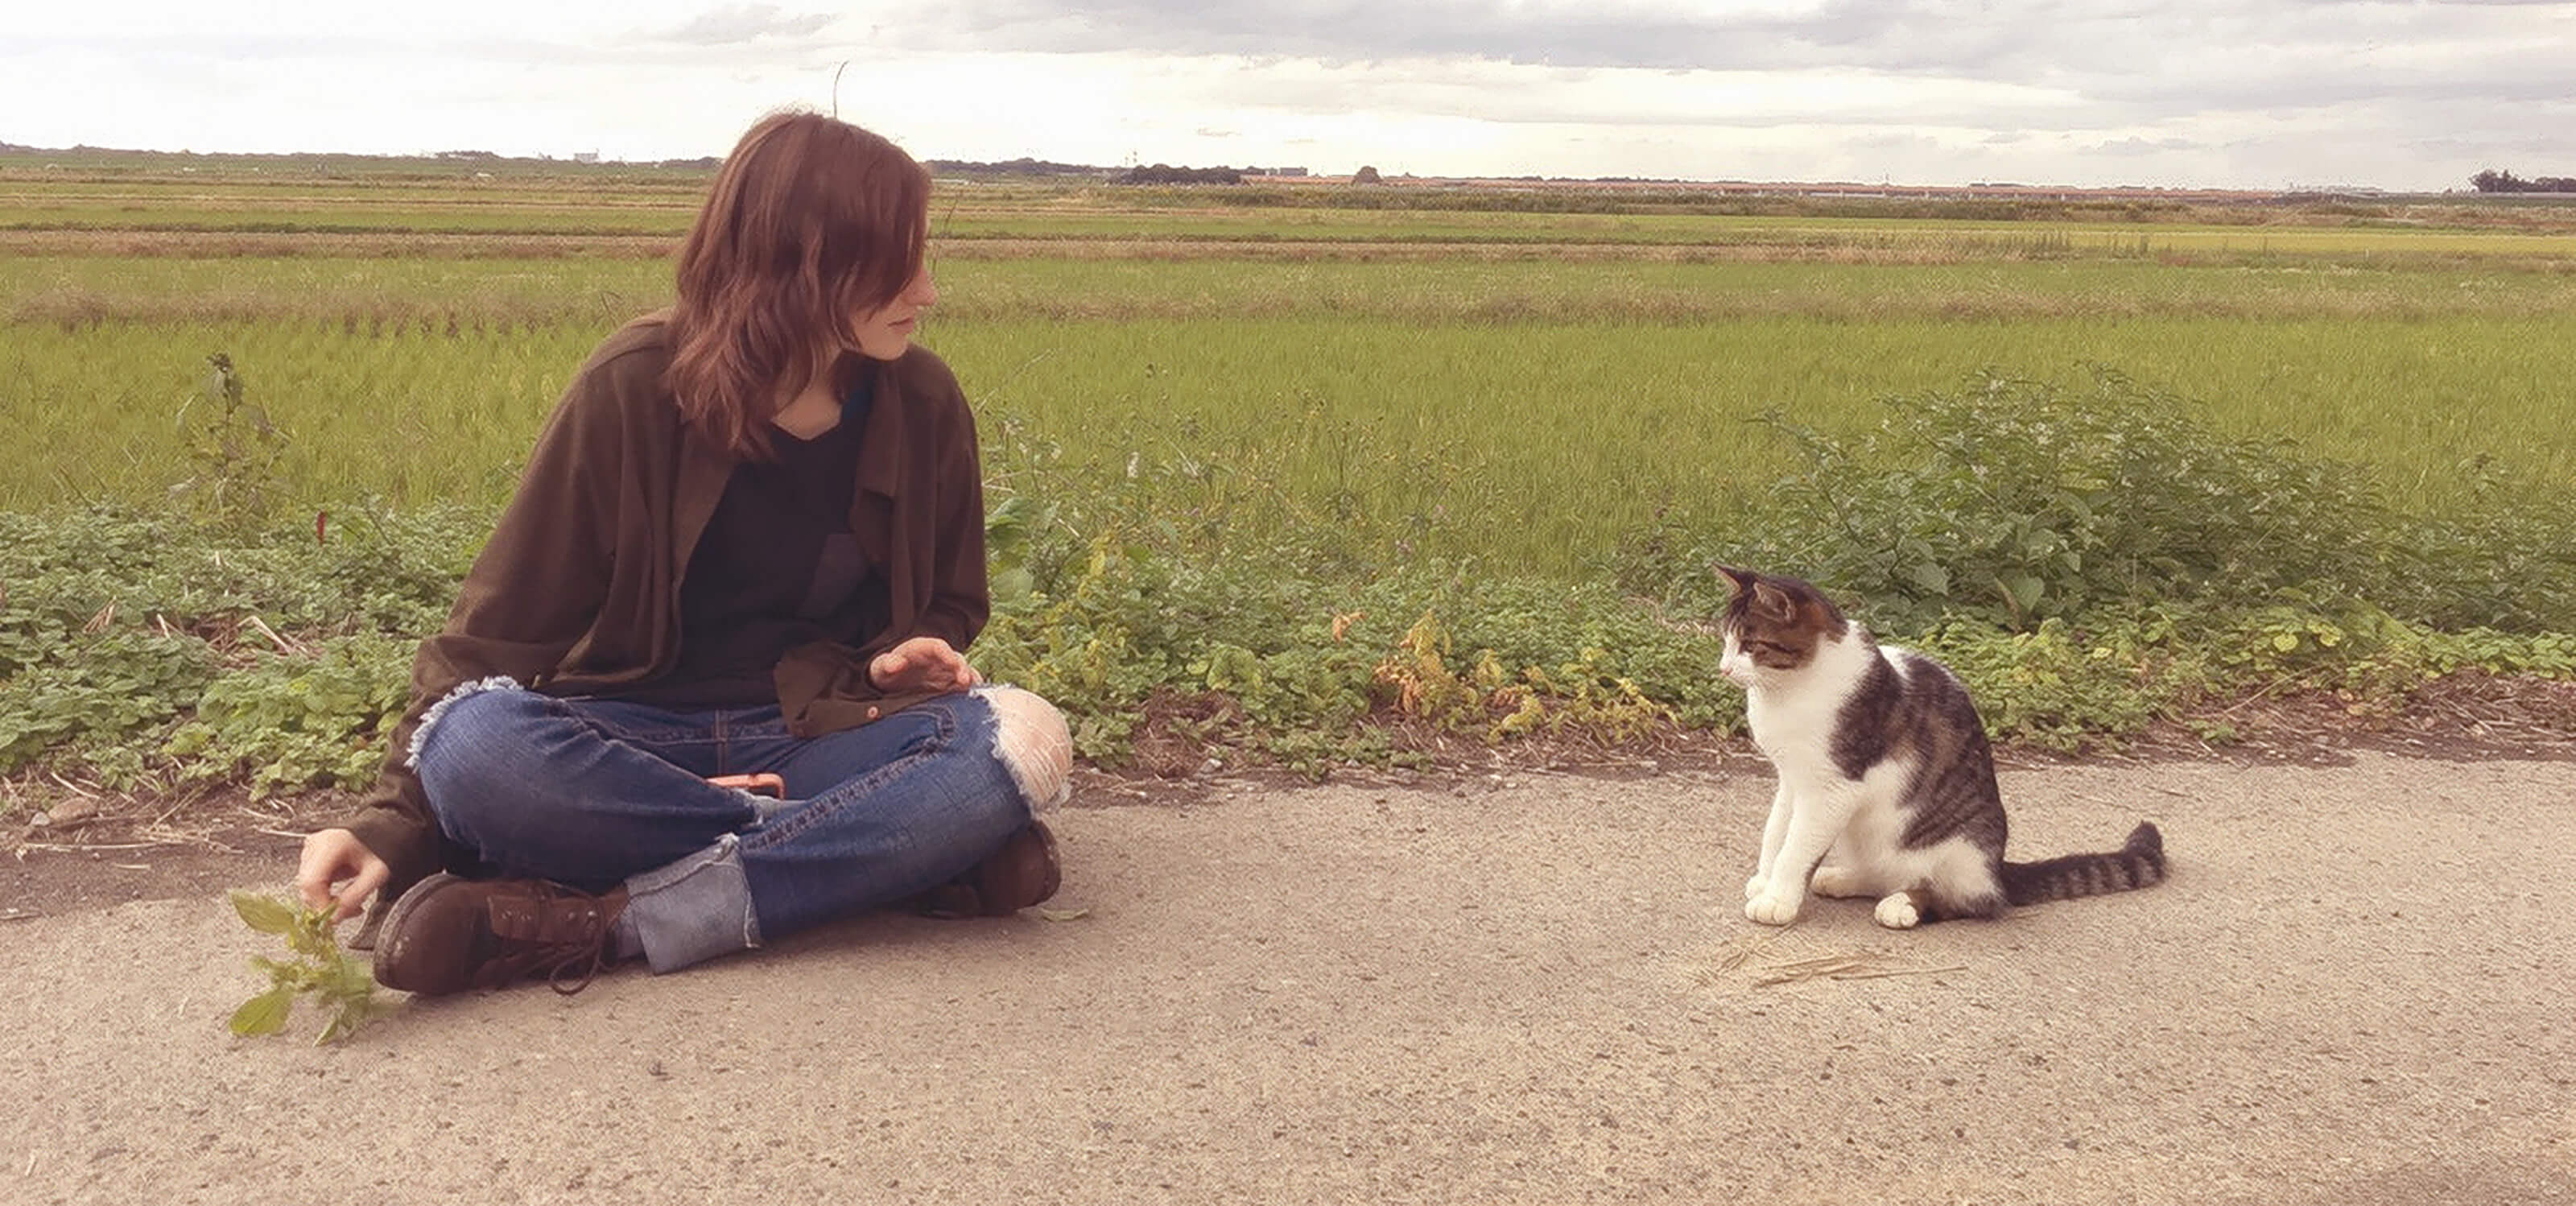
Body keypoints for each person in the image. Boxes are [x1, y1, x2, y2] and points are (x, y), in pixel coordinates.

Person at [292, 110, 1072, 997]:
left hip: (814, 734)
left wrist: (911, 652)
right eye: (900, 264)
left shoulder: (921, 399)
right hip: (627, 742)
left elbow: (952, 598)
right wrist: (392, 823)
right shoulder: (631, 385)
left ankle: (599, 921)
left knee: (1018, 740)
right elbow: (490, 639)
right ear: (803, 261)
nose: (927, 291)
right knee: (474, 747)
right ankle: (884, 853)